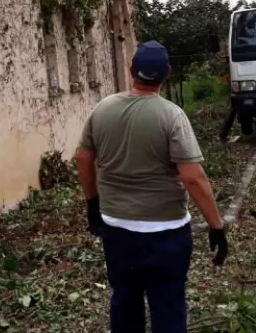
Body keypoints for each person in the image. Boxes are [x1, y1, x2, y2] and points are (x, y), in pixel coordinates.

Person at [75, 40, 228, 332]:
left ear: (132, 70)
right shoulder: (172, 116)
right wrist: (216, 226)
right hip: (166, 233)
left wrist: (92, 203)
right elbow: (193, 177)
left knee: (124, 301)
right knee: (168, 306)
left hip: (117, 230)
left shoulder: (102, 109)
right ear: (167, 73)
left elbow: (83, 158)